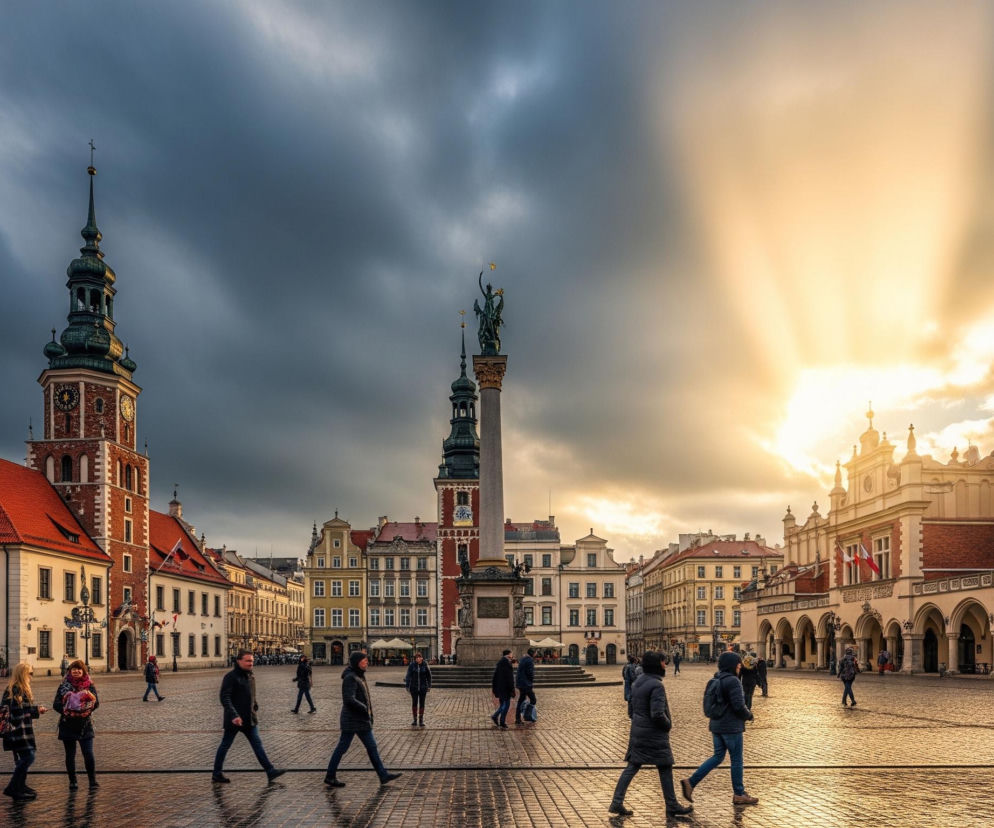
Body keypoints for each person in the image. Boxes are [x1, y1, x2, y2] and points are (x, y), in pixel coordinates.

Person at [608, 651, 693, 817]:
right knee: (665, 767)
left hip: (638, 731)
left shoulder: (637, 682)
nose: (665, 665)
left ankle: (617, 802)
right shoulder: (656, 685)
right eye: (663, 662)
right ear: (657, 664)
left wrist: (640, 722)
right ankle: (672, 805)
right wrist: (668, 725)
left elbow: (631, 710)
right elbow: (657, 714)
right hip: (654, 734)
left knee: (633, 767)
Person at [681, 651, 758, 807]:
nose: (739, 666)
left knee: (717, 757)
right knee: (736, 760)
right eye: (738, 664)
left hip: (716, 725)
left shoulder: (714, 680)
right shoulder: (733, 681)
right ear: (732, 665)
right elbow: (738, 705)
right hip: (731, 727)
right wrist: (749, 715)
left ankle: (691, 782)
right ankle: (739, 793)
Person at [324, 652, 402, 787]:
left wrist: (367, 712)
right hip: (351, 720)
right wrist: (364, 708)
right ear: (357, 662)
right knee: (342, 748)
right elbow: (349, 699)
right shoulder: (350, 677)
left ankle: (383, 775)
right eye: (364, 661)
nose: (367, 663)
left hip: (361, 720)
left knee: (372, 747)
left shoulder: (359, 675)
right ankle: (330, 776)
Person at [212, 650, 285, 784]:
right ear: (239, 661)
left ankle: (270, 771)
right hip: (235, 719)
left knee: (258, 745)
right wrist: (234, 715)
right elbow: (225, 697)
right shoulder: (231, 677)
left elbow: (251, 694)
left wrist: (255, 705)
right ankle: (216, 773)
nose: (251, 663)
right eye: (247, 661)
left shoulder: (251, 676)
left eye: (252, 661)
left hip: (249, 718)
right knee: (225, 746)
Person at [2, 662, 48, 802]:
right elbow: (17, 712)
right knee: (28, 757)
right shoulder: (15, 690)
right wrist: (35, 710)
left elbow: (24, 709)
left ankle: (20, 786)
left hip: (23, 730)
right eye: (30, 674)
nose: (31, 677)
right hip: (18, 732)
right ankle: (13, 787)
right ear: (23, 674)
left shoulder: (20, 689)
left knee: (24, 758)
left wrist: (36, 709)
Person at [53, 659, 99, 790]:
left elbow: (96, 703)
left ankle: (92, 781)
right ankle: (72, 781)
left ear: (83, 671)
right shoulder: (63, 685)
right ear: (70, 671)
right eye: (74, 669)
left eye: (79, 669)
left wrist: (86, 709)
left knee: (88, 753)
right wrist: (67, 711)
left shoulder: (89, 685)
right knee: (70, 755)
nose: (76, 671)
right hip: (68, 724)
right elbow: (56, 704)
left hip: (85, 724)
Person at [404, 651, 432, 727]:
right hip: (414, 687)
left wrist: (429, 686)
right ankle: (415, 719)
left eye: (419, 657)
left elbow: (429, 676)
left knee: (422, 703)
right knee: (414, 703)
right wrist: (407, 685)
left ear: (422, 658)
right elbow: (408, 676)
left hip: (423, 688)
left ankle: (421, 720)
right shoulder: (412, 665)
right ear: (415, 659)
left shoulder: (425, 665)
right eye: (417, 658)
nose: (418, 659)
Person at [490, 650, 515, 729]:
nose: (512, 656)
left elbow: (495, 677)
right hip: (505, 688)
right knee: (506, 705)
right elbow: (509, 678)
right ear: (508, 655)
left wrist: (495, 688)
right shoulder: (507, 664)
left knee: (502, 705)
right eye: (511, 654)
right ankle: (502, 721)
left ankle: (495, 716)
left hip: (500, 688)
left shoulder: (500, 663)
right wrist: (512, 689)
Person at [514, 648, 536, 724]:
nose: (536, 654)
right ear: (533, 653)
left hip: (521, 683)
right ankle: (527, 716)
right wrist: (531, 680)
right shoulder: (529, 660)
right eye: (535, 653)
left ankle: (518, 718)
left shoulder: (523, 659)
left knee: (521, 700)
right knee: (533, 700)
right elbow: (530, 672)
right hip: (526, 684)